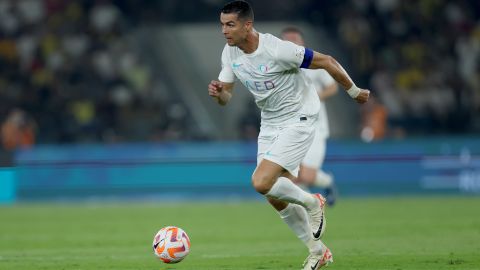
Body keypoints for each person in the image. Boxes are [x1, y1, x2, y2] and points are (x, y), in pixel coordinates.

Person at [207, 1, 369, 269]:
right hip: (270, 123)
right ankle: (318, 252)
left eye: (230, 24)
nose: (224, 30)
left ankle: (313, 201)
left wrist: (354, 92)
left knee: (260, 182)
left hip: (300, 118)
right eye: (222, 24)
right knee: (273, 194)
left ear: (247, 25)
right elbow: (226, 97)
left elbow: (327, 61)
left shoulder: (278, 49)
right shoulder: (230, 53)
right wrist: (218, 93)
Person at [281, 27, 339, 206]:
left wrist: (314, 97)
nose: (291, 42)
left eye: (295, 39)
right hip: (290, 128)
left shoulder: (315, 62)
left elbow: (333, 87)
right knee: (290, 177)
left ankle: (327, 182)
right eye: (287, 40)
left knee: (306, 175)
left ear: (302, 43)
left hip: (315, 127)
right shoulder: (277, 67)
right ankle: (310, 207)